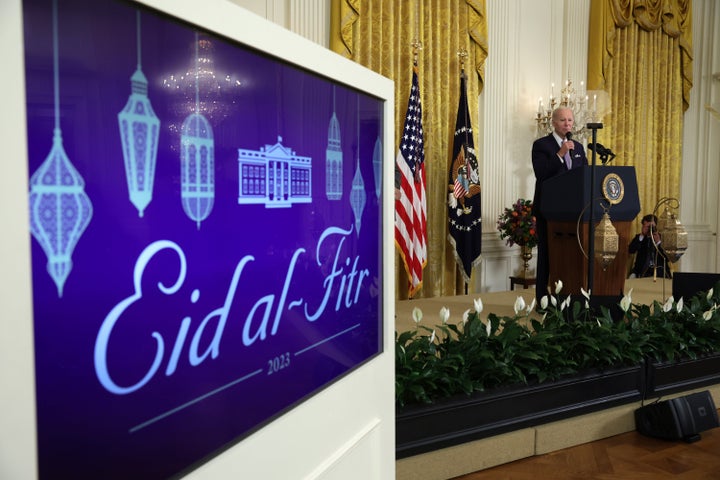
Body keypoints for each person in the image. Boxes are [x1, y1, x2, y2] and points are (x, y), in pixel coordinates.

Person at [531, 107, 588, 304]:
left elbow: (584, 175)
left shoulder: (579, 147)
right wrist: (560, 154)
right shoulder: (541, 145)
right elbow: (542, 174)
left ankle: (569, 298)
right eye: (563, 120)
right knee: (547, 255)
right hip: (549, 210)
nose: (567, 124)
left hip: (574, 211)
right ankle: (542, 298)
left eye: (570, 120)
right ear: (554, 123)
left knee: (570, 255)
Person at [629, 214, 670, 278]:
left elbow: (668, 258)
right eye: (648, 226)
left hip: (660, 272)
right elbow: (631, 250)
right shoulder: (639, 237)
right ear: (643, 226)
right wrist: (642, 235)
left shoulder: (662, 238)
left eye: (652, 226)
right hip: (642, 270)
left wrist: (658, 242)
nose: (650, 229)